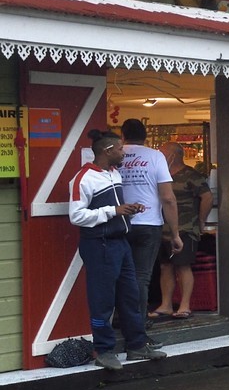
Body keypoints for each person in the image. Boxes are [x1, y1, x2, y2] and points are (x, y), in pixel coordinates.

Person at [69, 131, 161, 369]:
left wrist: (128, 209)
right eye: (120, 149)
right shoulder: (84, 178)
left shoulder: (114, 173)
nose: (124, 152)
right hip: (99, 244)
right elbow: (76, 215)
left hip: (121, 242)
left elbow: (114, 208)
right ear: (107, 150)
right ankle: (103, 350)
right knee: (103, 300)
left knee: (130, 296)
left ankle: (137, 345)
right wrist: (113, 211)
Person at [118, 119, 183, 313]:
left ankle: (119, 317)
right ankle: (137, 323)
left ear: (122, 135)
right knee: (141, 276)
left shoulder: (115, 154)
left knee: (118, 273)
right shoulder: (155, 156)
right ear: (145, 137)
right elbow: (168, 198)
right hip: (148, 223)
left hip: (118, 221)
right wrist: (175, 234)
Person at [151, 142, 213, 320]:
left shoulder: (191, 175)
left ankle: (185, 305)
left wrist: (200, 221)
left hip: (185, 228)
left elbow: (207, 197)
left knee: (183, 266)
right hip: (162, 228)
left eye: (163, 152)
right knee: (165, 266)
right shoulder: (161, 175)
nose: (160, 155)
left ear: (174, 155)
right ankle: (166, 305)